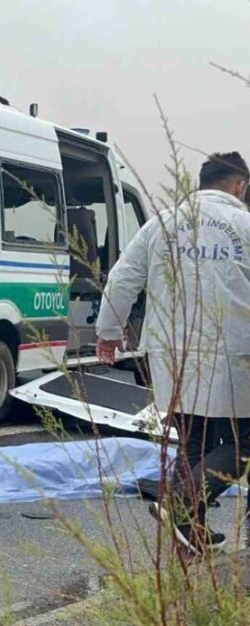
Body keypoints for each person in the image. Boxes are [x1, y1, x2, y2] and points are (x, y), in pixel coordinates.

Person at [96, 151, 250, 554]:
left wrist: (108, 332)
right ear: (240, 186)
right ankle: (180, 502)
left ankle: (189, 529)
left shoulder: (159, 225)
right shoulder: (245, 224)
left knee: (194, 439)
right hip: (231, 351)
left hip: (169, 353)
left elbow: (123, 278)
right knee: (245, 442)